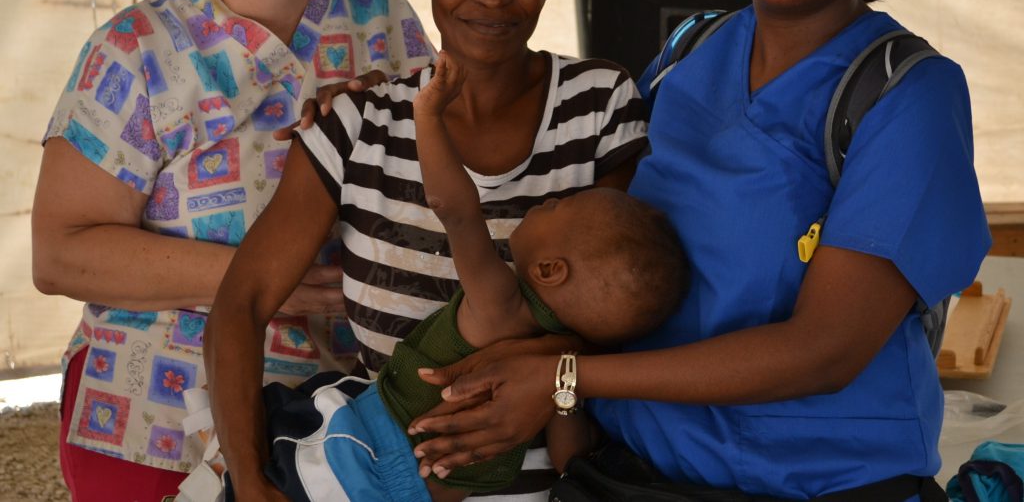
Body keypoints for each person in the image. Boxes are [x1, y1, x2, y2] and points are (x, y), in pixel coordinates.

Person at [405, 0, 992, 501]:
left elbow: (825, 351)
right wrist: (386, 100)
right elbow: (597, 245)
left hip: (810, 485)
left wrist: (564, 380)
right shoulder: (688, 53)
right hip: (633, 471)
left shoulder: (907, 94)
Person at [202, 0, 650, 501]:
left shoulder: (599, 104)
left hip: (555, 484)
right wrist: (249, 478)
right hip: (382, 478)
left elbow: (635, 291)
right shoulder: (355, 124)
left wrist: (554, 383)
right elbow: (238, 307)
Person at [31, 0, 433, 501]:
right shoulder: (136, 48)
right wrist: (256, 278)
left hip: (350, 387)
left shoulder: (376, 9)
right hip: (159, 390)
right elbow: (59, 252)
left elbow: (441, 163)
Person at [199, 48, 685, 501]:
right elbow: (568, 459)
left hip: (357, 459)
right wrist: (565, 388)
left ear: (550, 270)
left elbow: (454, 210)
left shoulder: (497, 301)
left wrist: (427, 116)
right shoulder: (559, 373)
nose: (544, 202)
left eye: (555, 204)